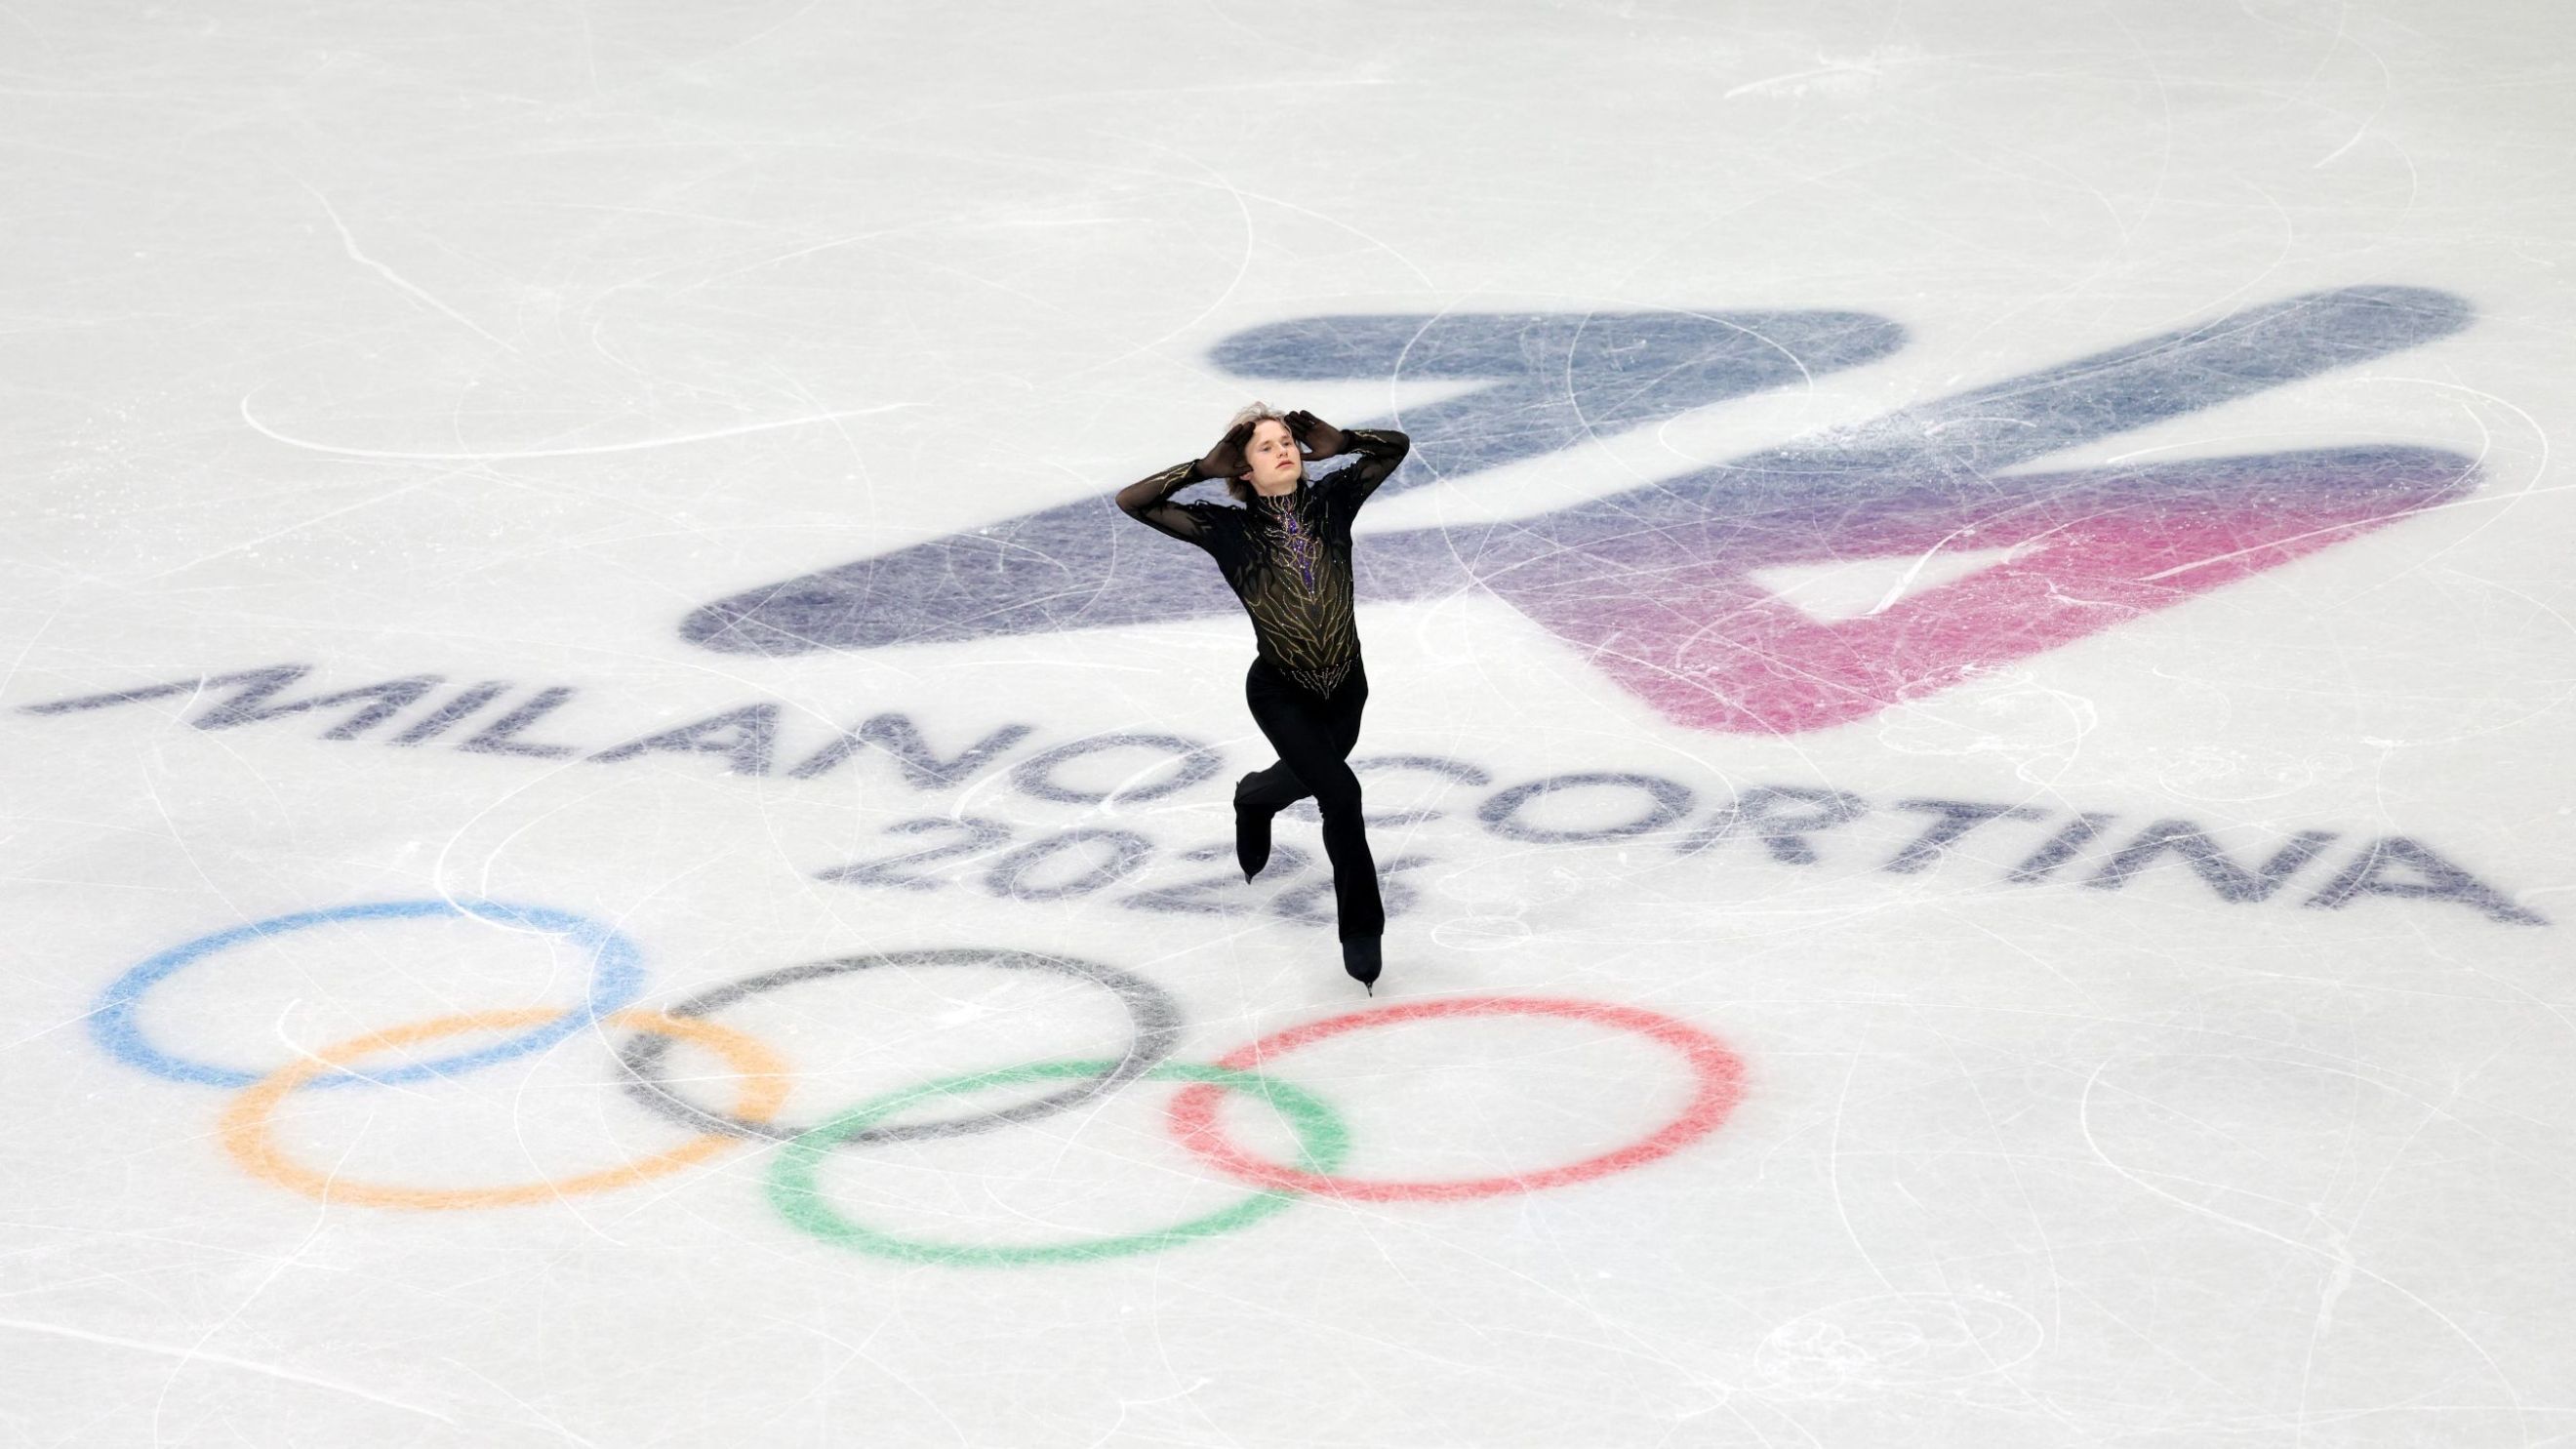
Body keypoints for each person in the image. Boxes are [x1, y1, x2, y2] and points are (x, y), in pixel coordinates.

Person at [1114, 404, 1412, 990]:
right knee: (1341, 793)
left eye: (1288, 442)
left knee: (1309, 778)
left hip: (1346, 689)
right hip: (1281, 693)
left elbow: (1394, 448)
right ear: (1243, 470)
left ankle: (1253, 798)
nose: (1283, 451)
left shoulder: (1333, 501)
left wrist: (1346, 440)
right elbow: (1134, 501)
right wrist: (1199, 470)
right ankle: (1361, 930)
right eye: (1265, 447)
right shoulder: (1225, 529)